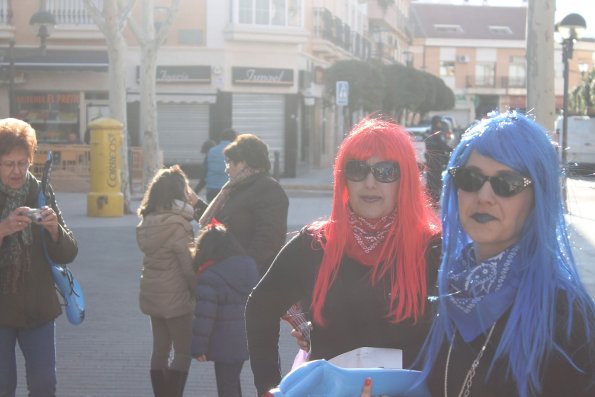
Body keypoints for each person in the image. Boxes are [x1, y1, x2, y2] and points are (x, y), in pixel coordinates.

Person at [361, 112, 595, 397]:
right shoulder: (442, 288)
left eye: (506, 183)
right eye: (470, 179)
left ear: (538, 196)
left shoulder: (566, 316)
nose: (483, 196)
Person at [245, 117, 442, 396]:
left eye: (386, 171)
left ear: (406, 178)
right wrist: (268, 386)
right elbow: (260, 306)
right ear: (344, 177)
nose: (370, 182)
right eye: (357, 169)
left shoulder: (434, 249)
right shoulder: (314, 245)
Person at [0, 118, 78, 397]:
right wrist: (2, 230)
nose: (17, 170)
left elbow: (69, 252)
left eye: (23, 163)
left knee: (44, 385)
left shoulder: (40, 191)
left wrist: (55, 230)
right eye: (9, 163)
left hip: (37, 306)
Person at [136, 165, 203, 397]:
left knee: (160, 351)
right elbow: (187, 266)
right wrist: (198, 291)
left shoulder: (147, 221)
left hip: (152, 293)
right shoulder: (179, 224)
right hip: (177, 297)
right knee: (183, 352)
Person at [198, 133, 289, 276]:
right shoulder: (237, 187)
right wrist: (195, 203)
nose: (226, 169)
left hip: (248, 278)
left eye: (229, 162)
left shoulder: (267, 188)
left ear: (244, 163)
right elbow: (220, 222)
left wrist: (242, 272)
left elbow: (268, 241)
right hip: (230, 271)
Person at [191, 223, 260, 397]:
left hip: (224, 341)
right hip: (247, 337)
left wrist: (198, 348)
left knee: (226, 387)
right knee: (231, 382)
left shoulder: (210, 276)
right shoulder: (249, 265)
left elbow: (205, 317)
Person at [424, 115, 452, 206]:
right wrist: (453, 150)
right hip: (436, 161)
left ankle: (431, 200)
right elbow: (442, 146)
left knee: (431, 181)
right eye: (439, 122)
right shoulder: (437, 133)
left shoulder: (429, 133)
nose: (440, 124)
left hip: (430, 161)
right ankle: (434, 200)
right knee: (436, 181)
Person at [204, 128, 237, 202]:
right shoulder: (235, 151)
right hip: (228, 188)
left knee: (212, 212)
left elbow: (205, 170)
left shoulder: (211, 151)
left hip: (212, 188)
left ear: (221, 138)